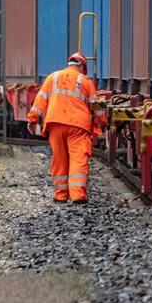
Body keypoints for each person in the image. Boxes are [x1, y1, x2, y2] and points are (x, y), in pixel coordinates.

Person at [28, 52, 99, 203]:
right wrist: (102, 122)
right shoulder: (86, 81)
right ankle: (78, 195)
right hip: (78, 126)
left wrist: (32, 120)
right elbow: (96, 107)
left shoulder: (52, 78)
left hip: (55, 123)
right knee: (78, 158)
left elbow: (40, 101)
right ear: (81, 66)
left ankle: (61, 195)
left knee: (59, 159)